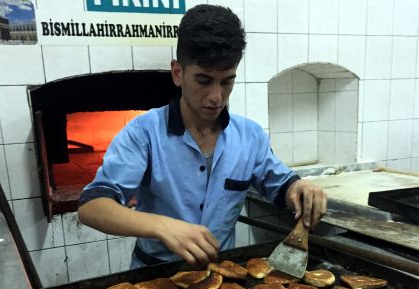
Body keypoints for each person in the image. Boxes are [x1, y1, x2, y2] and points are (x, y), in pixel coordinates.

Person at [77, 4, 327, 269]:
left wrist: (301, 188)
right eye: (204, 81)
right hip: (156, 276)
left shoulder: (249, 137)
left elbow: (282, 185)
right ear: (177, 73)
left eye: (227, 81)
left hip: (222, 277)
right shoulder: (144, 134)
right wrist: (162, 226)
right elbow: (92, 206)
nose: (216, 97)